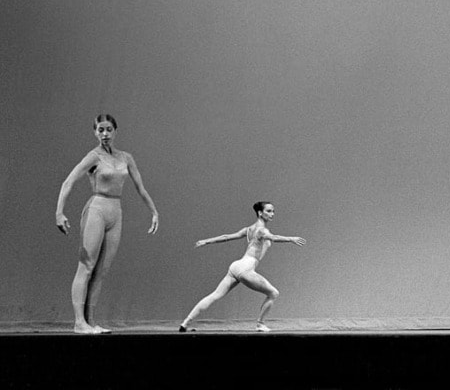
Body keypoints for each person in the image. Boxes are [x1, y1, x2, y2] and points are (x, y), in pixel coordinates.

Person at [55, 114, 160, 334]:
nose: (104, 134)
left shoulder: (126, 158)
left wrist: (153, 211)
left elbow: (140, 187)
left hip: (116, 212)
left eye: (108, 129)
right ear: (95, 132)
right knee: (86, 266)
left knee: (102, 270)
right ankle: (78, 322)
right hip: (97, 209)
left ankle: (91, 320)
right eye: (100, 130)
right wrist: (59, 213)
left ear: (115, 131)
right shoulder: (93, 157)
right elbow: (68, 181)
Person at [179, 201, 306, 332]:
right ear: (260, 213)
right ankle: (260, 324)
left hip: (236, 266)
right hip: (246, 268)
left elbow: (226, 237)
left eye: (273, 211)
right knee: (273, 293)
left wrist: (206, 241)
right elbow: (273, 237)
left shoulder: (249, 230)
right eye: (268, 211)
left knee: (215, 295)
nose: (272, 214)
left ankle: (185, 323)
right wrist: (291, 238)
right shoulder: (262, 230)